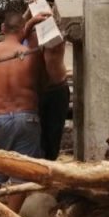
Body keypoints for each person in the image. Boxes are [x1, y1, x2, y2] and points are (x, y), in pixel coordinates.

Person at [0, 12, 46, 217]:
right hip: (27, 116)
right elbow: (42, 79)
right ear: (22, 31)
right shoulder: (32, 54)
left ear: (1, 27)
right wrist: (32, 26)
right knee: (21, 174)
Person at [23, 12, 69, 161]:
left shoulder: (54, 37)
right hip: (37, 91)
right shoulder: (30, 37)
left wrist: (39, 18)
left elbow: (49, 30)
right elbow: (13, 36)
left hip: (56, 91)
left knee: (52, 137)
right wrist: (29, 16)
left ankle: (50, 164)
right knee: (36, 135)